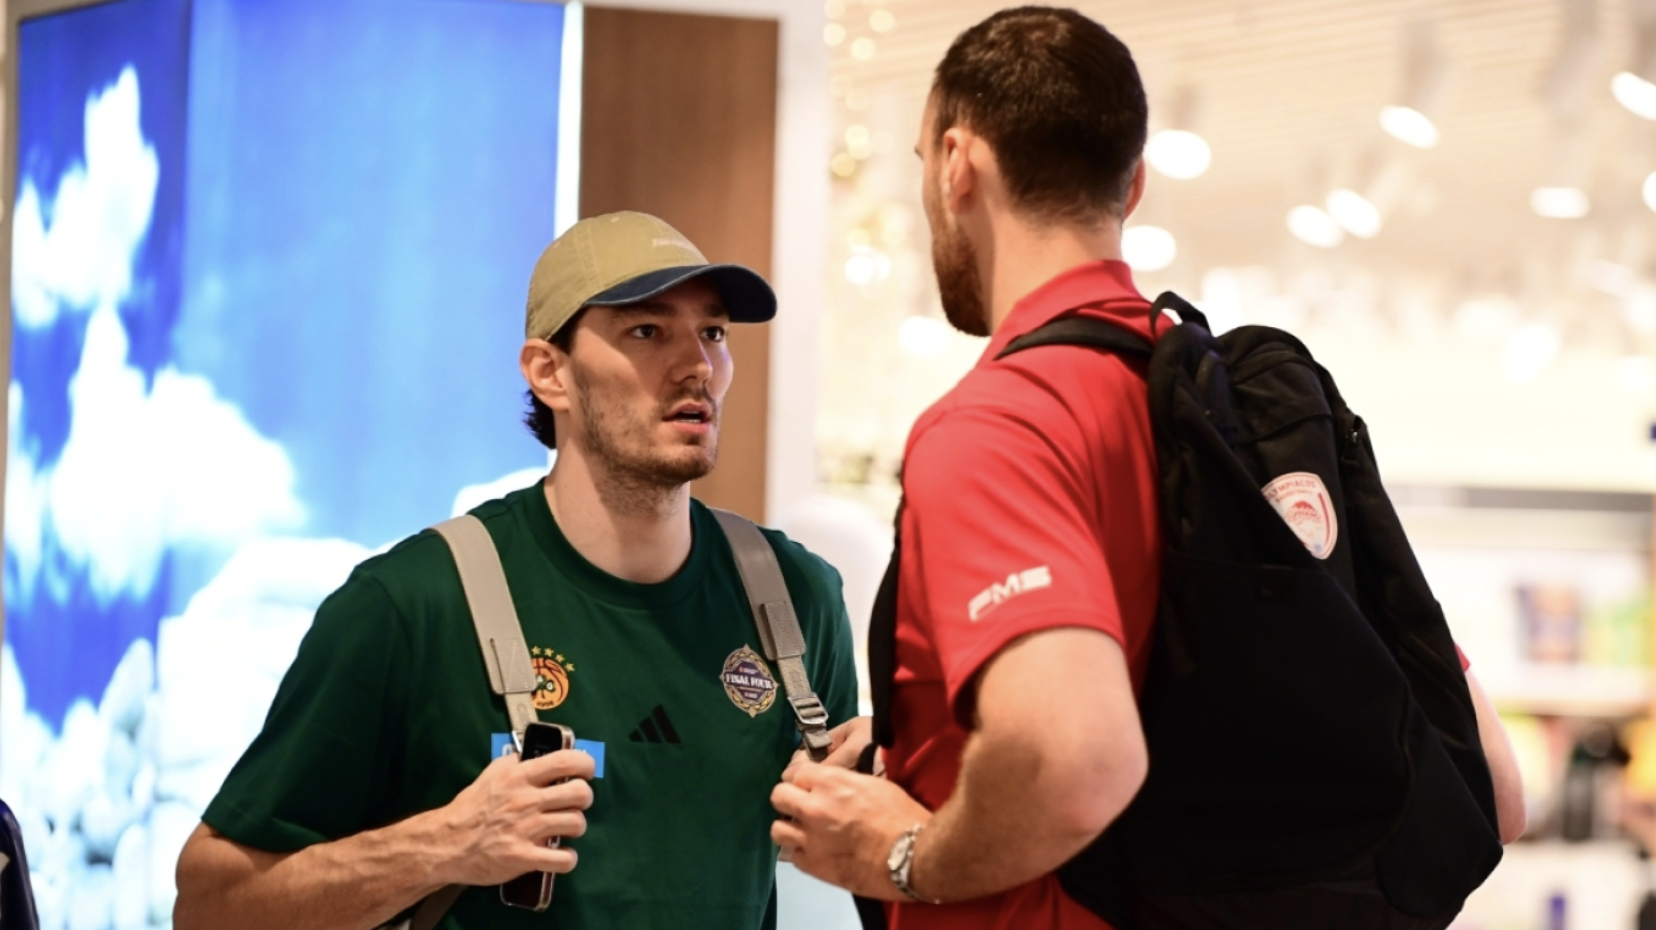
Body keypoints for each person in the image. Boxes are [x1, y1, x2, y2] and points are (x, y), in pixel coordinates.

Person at [768, 7, 1527, 929]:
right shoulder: (1242, 418)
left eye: (924, 161)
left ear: (958, 163)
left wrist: (901, 855)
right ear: (1133, 183)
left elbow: (1078, 759)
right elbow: (1495, 789)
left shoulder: (1001, 425)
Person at [174, 211, 860, 930]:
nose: (698, 366)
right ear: (549, 372)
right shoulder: (410, 604)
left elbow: (845, 852)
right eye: (647, 331)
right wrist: (440, 846)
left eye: (713, 332)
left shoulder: (795, 597)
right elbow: (211, 906)